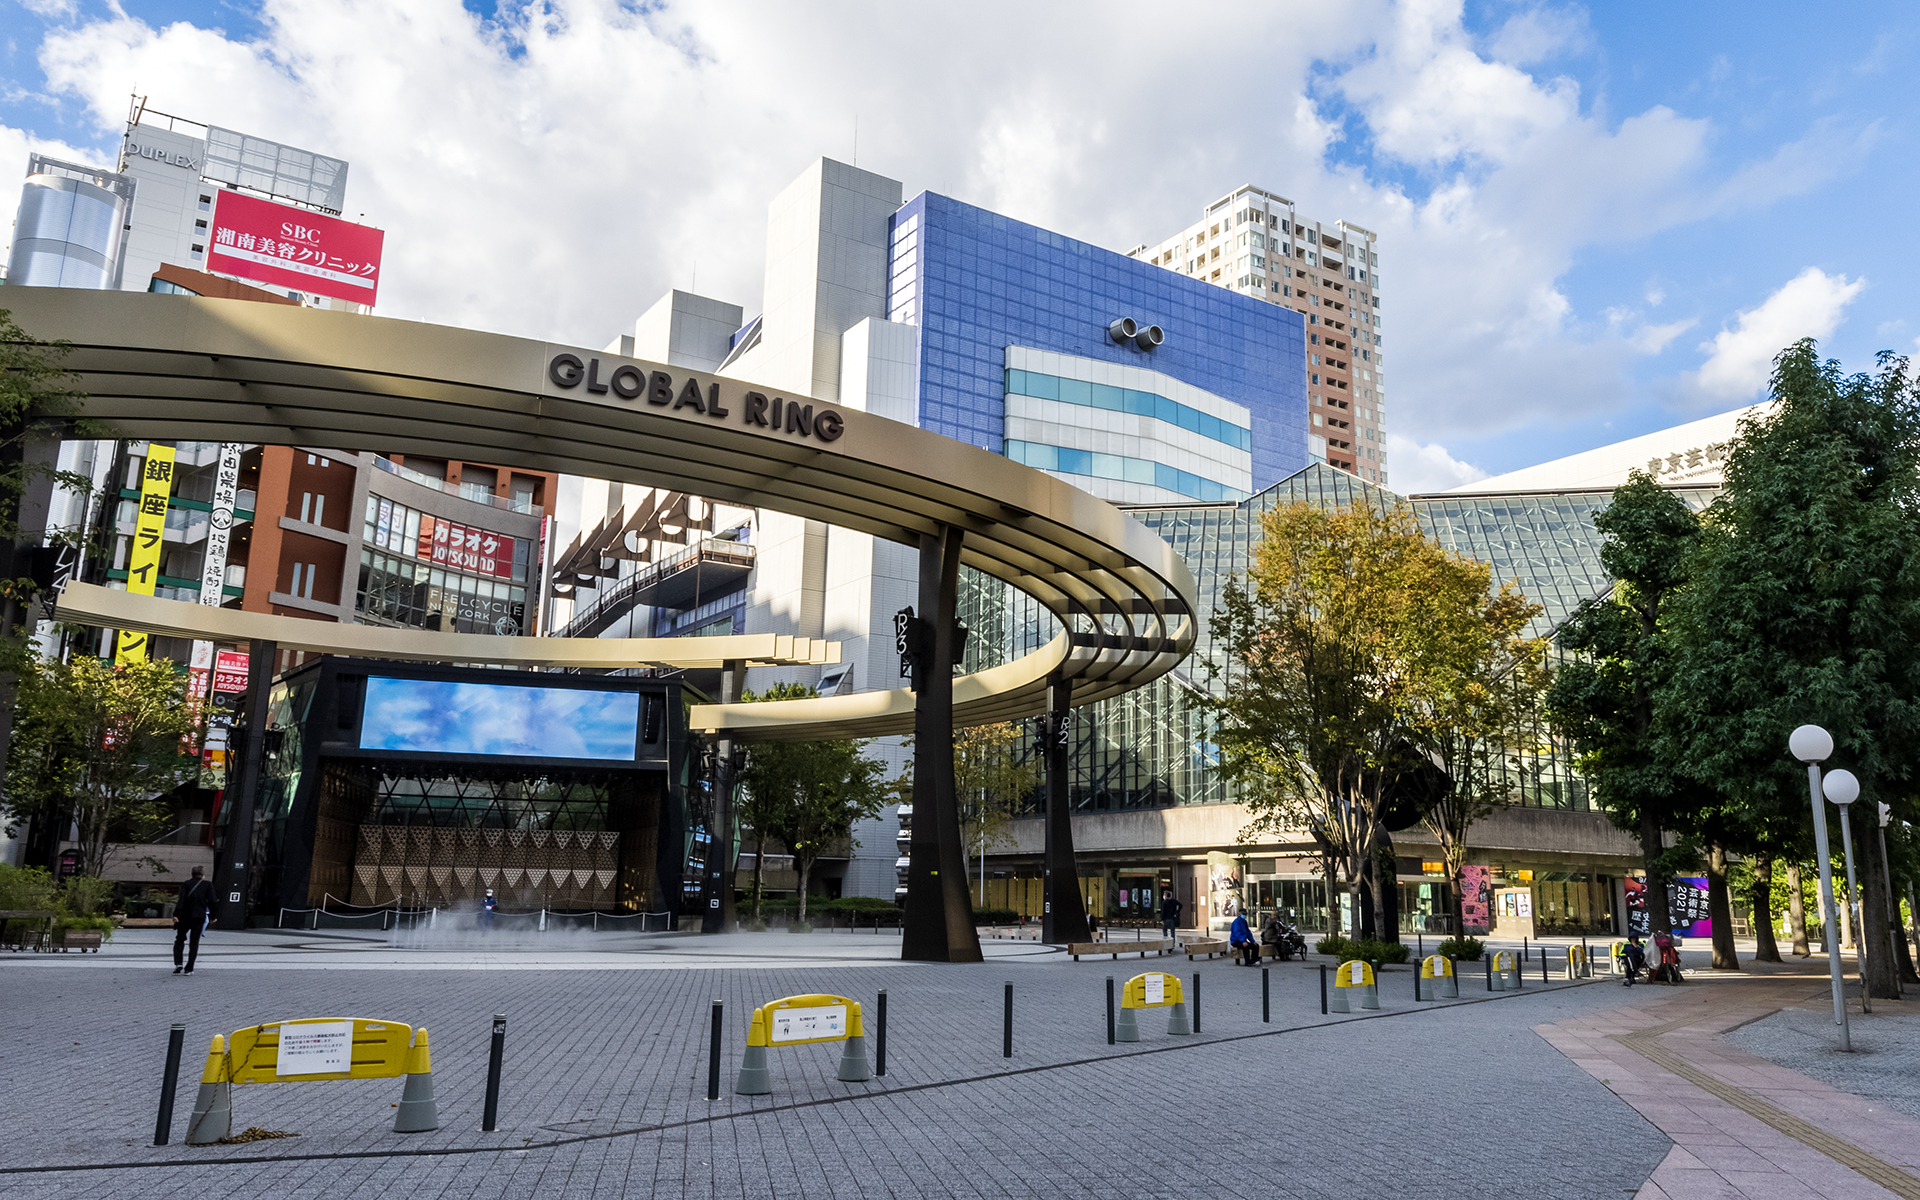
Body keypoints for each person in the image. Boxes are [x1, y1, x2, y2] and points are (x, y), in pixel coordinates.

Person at [173, 866, 215, 975]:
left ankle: (178, 963)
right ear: (203, 874)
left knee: (180, 939)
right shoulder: (207, 885)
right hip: (199, 917)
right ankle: (189, 968)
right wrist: (213, 916)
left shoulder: (186, 884)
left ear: (192, 874)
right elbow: (212, 901)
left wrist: (176, 914)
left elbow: (181, 900)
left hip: (184, 916)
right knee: (194, 942)